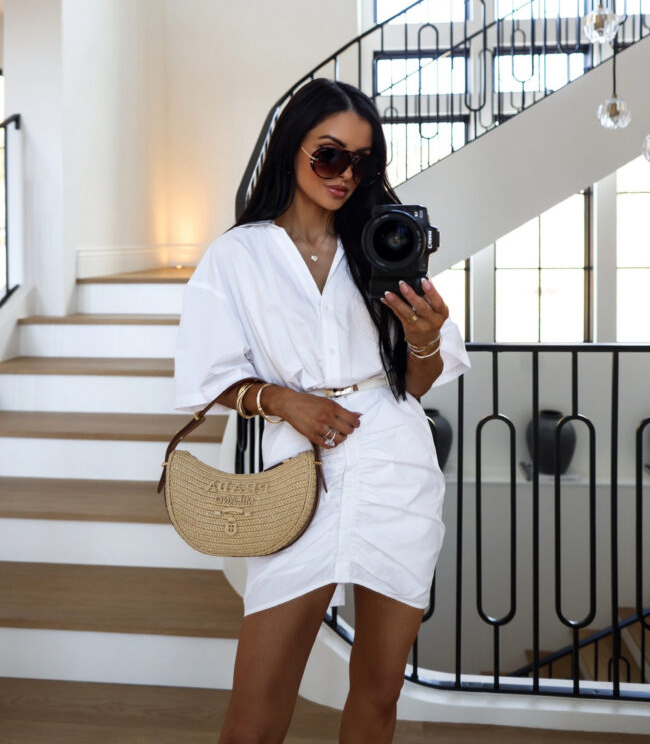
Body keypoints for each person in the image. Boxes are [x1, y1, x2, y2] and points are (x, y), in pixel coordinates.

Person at [173, 78, 471, 743]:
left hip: (395, 465)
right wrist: (281, 399)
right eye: (329, 154)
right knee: (254, 715)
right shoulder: (237, 256)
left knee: (380, 691)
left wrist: (423, 336)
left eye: (362, 161)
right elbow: (206, 376)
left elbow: (417, 382)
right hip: (298, 476)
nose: (345, 174)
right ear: (290, 148)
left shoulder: (385, 240)